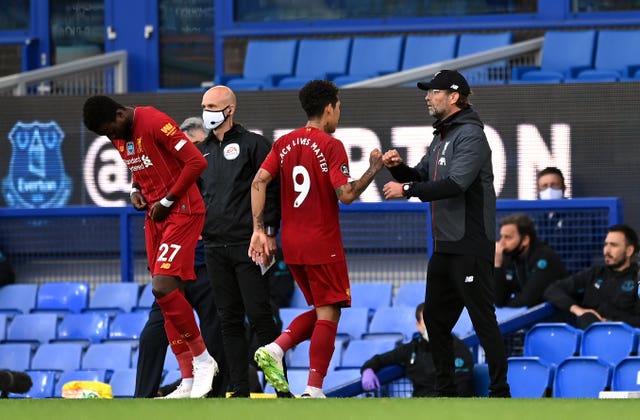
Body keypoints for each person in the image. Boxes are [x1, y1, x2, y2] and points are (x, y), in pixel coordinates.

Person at [248, 79, 383, 398]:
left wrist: (259, 229)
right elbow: (346, 195)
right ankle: (311, 385)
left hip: (291, 244)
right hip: (321, 242)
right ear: (328, 108)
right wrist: (373, 169)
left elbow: (259, 182)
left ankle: (279, 351)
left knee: (327, 309)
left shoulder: (284, 143)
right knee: (330, 311)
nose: (339, 113)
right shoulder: (330, 144)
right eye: (339, 107)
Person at [380, 70, 510, 397]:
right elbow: (422, 175)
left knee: (483, 321)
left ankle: (500, 391)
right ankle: (446, 393)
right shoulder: (442, 136)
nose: (427, 97)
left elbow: (455, 184)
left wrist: (406, 187)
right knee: (435, 323)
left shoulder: (471, 135)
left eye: (434, 92)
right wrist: (399, 168)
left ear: (453, 97)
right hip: (445, 247)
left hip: (470, 245)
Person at [82, 96, 218, 399]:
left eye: (110, 131)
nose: (111, 138)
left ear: (120, 114)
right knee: (170, 298)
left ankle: (203, 360)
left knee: (163, 287)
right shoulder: (119, 133)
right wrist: (135, 189)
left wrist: (168, 199)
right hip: (155, 216)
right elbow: (141, 165)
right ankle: (187, 379)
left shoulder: (156, 121)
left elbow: (197, 162)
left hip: (182, 210)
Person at [196, 85, 286, 398]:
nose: (206, 111)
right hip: (213, 246)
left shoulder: (255, 145)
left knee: (260, 314)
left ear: (230, 109)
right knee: (228, 319)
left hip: (250, 245)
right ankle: (239, 388)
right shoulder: (201, 151)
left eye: (212, 105)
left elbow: (272, 190)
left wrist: (269, 231)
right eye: (204, 105)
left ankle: (281, 386)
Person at [134, 116, 228, 399]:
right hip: (173, 264)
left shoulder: (216, 173)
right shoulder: (171, 174)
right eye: (189, 146)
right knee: (152, 334)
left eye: (199, 145)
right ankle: (142, 398)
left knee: (216, 330)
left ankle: (214, 396)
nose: (194, 152)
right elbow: (142, 169)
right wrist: (135, 189)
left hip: (206, 262)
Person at [360, 302, 474, 397]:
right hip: (418, 406)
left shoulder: (458, 347)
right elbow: (380, 359)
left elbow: (462, 385)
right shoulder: (411, 349)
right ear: (418, 325)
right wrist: (367, 369)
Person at [544, 224, 640, 329]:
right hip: (589, 335)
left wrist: (609, 322)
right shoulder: (595, 273)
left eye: (613, 245)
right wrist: (577, 310)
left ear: (629, 251)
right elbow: (552, 290)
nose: (606, 250)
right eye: (605, 244)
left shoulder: (637, 278)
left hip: (623, 337)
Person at [494, 213, 569, 308]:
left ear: (525, 240)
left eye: (508, 237)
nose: (501, 243)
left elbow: (527, 300)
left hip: (558, 314)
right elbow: (498, 300)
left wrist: (506, 302)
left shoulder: (544, 258)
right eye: (501, 237)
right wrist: (497, 264)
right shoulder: (508, 256)